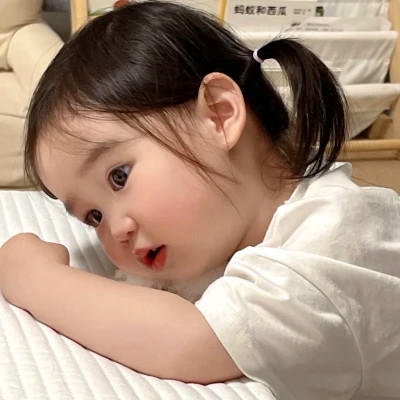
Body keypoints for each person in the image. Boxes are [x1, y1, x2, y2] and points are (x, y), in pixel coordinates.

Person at [0, 2, 399, 399]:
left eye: (119, 177)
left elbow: (196, 342)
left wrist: (35, 278)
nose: (116, 231)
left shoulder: (338, 237)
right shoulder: (227, 234)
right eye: (94, 216)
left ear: (219, 116)